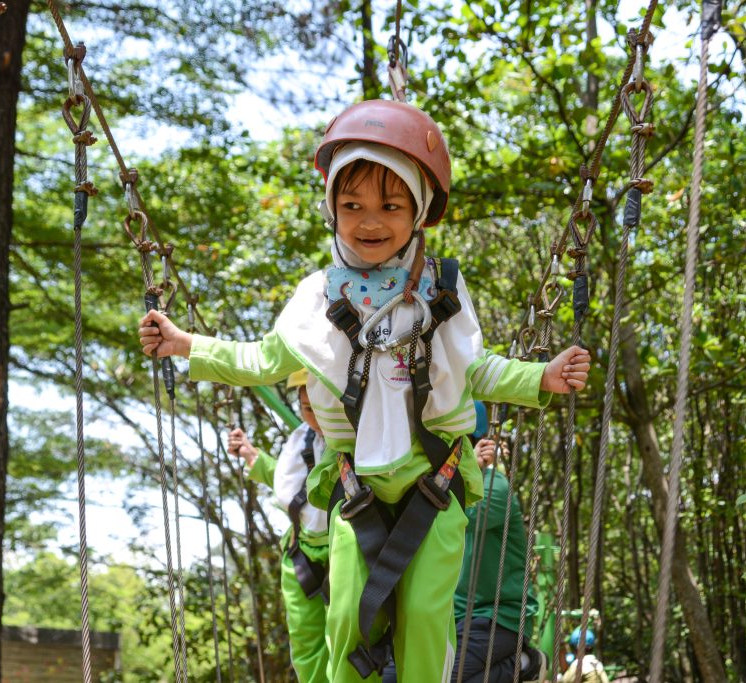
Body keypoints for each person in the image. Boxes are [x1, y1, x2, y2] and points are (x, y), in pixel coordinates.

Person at [138, 99, 591, 682]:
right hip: (356, 487)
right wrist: (185, 345)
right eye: (351, 206)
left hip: (437, 479)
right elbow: (261, 359)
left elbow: (475, 370)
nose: (369, 221)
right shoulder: (317, 297)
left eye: (390, 206)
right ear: (331, 211)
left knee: (428, 616)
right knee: (348, 618)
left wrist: (542, 378)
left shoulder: (442, 290)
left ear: (419, 212)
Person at [382, 401, 546, 683]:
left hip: (496, 619)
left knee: (446, 678)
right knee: (390, 677)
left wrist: (472, 470)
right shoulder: (425, 489)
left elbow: (437, 518)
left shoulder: (495, 489)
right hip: (448, 618)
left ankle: (523, 664)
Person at [226, 369, 329, 683]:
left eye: (320, 407)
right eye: (306, 408)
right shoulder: (303, 438)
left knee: (349, 640)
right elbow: (291, 483)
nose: (313, 416)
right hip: (301, 553)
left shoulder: (356, 438)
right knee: (306, 643)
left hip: (345, 548)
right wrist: (250, 454)